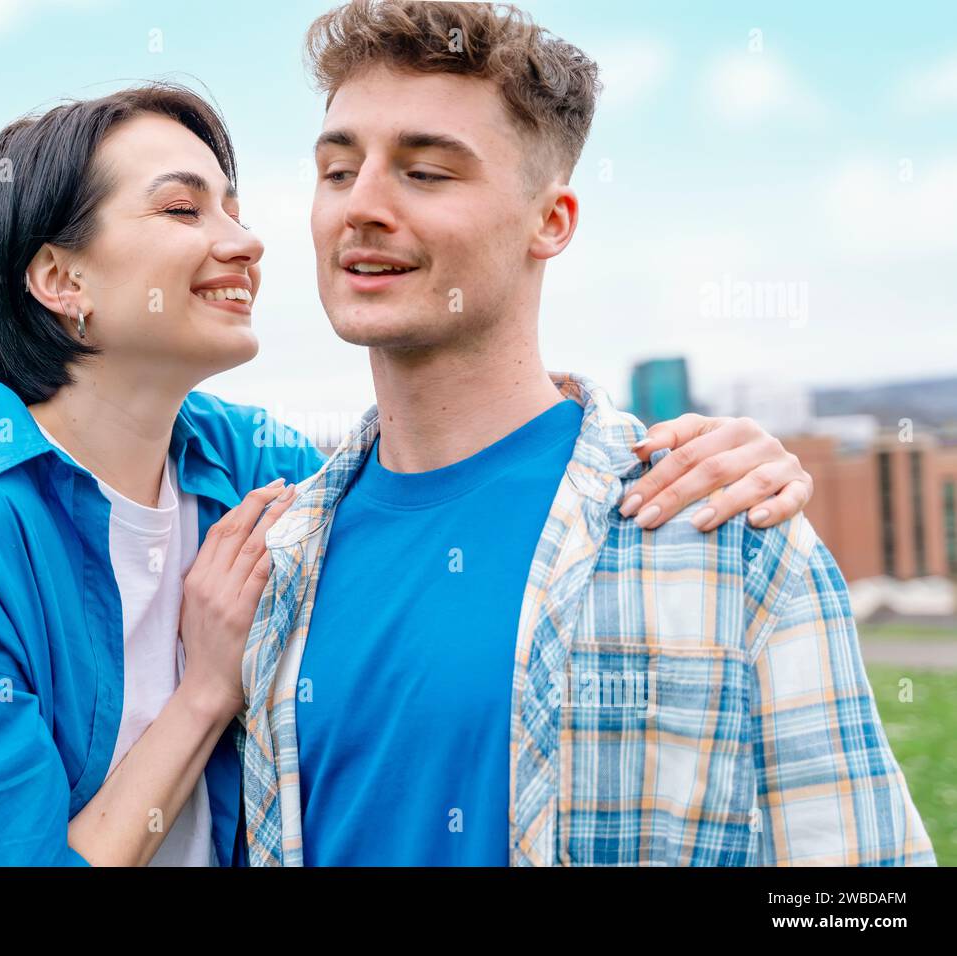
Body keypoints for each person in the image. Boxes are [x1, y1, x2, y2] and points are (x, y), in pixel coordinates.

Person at [0, 80, 817, 866]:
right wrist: (206, 693)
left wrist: (673, 447)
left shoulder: (252, 467)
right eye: (182, 208)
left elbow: (443, 445)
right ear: (60, 280)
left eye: (236, 204)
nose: (244, 240)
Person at [239, 0, 935, 867]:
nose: (362, 206)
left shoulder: (724, 534)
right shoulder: (273, 557)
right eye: (338, 170)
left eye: (426, 173)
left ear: (552, 222)